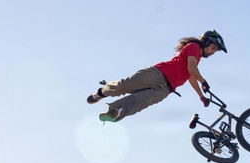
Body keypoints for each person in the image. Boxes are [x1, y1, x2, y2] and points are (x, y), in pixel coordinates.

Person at [87, 31, 227, 123]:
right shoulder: (194, 47)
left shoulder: (197, 58)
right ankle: (101, 92)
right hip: (157, 74)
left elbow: (191, 75)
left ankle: (115, 112)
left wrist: (201, 96)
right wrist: (204, 82)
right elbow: (193, 70)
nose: (214, 52)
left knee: (139, 102)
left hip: (165, 89)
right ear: (206, 42)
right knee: (124, 86)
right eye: (214, 48)